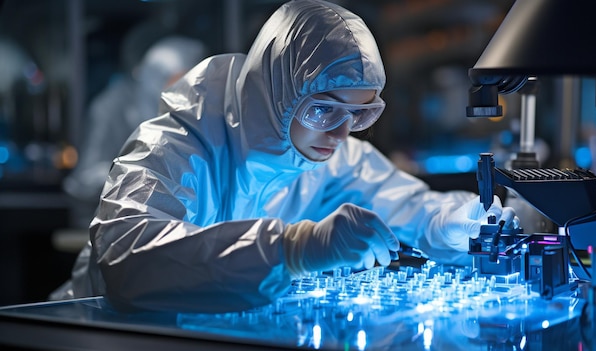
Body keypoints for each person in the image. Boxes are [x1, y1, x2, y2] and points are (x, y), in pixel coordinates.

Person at [56, 0, 517, 313]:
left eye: (359, 114)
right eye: (323, 108)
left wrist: (450, 221)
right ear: (275, 92)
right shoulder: (178, 144)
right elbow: (128, 259)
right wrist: (291, 249)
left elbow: (407, 205)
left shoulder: (328, 156)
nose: (340, 132)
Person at [62, 35, 207, 228]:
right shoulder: (111, 108)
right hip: (116, 229)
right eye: (179, 82)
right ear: (156, 78)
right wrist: (139, 176)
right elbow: (84, 181)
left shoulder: (200, 114)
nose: (186, 94)